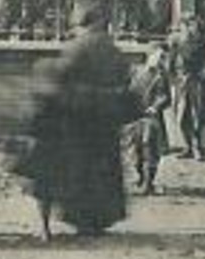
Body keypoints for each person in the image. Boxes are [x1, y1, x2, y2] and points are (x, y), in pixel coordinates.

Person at [12, 18, 142, 240]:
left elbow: (60, 81)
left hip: (82, 120)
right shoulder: (113, 50)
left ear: (83, 25)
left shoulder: (78, 48)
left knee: (83, 170)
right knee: (106, 170)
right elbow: (127, 80)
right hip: (107, 120)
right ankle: (100, 218)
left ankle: (82, 218)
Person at [167, 21, 205, 160]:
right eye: (185, 27)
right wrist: (172, 78)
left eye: (191, 26)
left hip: (197, 83)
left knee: (196, 116)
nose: (188, 30)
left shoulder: (203, 43)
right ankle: (187, 147)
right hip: (181, 84)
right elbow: (170, 62)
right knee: (180, 117)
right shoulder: (176, 43)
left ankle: (197, 147)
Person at [124, 46, 172, 195]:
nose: (161, 60)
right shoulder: (135, 71)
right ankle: (141, 176)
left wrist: (155, 107)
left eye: (164, 58)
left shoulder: (161, 77)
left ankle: (148, 183)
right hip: (133, 118)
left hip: (151, 119)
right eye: (159, 56)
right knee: (134, 151)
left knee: (150, 151)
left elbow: (165, 97)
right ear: (150, 56)